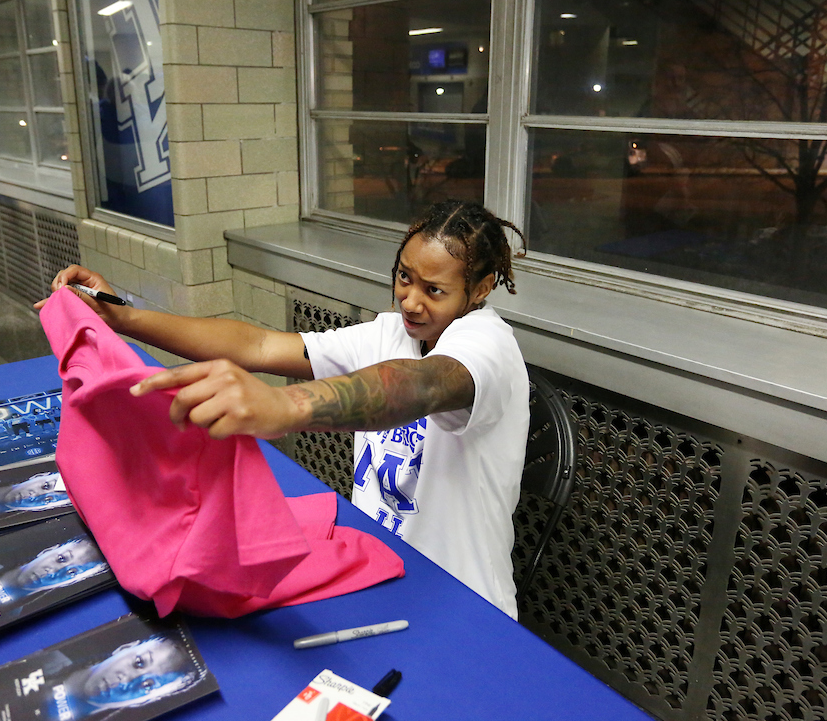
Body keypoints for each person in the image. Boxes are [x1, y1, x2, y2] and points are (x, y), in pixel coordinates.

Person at [38, 199, 531, 617]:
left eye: (434, 290)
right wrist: (124, 318)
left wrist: (282, 404)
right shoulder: (389, 333)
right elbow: (258, 346)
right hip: (382, 572)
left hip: (463, 600)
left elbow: (422, 386)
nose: (410, 301)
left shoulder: (488, 345)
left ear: (481, 288)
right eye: (405, 277)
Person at [47, 634, 202, 717]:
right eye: (139, 663)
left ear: (146, 701)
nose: (128, 680)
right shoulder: (44, 656)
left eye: (148, 685)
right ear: (125, 648)